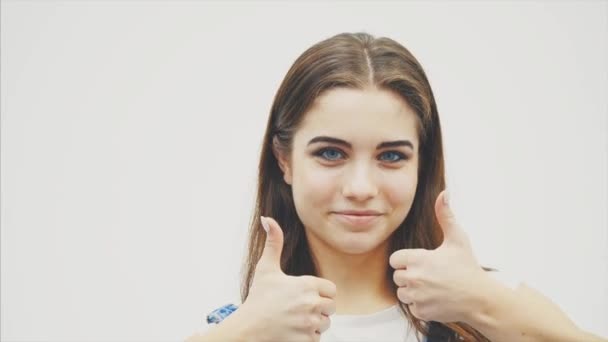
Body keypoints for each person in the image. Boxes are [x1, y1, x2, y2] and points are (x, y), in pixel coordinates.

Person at [187, 32, 605, 342]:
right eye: (331, 153)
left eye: (391, 156)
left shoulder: (496, 308)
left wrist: (485, 305)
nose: (360, 187)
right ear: (284, 161)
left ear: (422, 165)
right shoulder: (241, 329)